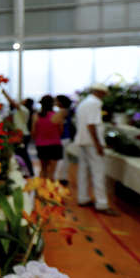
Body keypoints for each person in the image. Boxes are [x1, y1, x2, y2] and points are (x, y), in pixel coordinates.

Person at [74, 83, 119, 215]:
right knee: (98, 172)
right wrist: (98, 144)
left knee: (83, 170)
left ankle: (83, 198)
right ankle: (102, 203)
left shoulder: (84, 103)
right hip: (91, 142)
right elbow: (91, 125)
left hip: (83, 141)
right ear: (100, 93)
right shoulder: (95, 103)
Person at [31, 95, 65, 179]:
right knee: (52, 172)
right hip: (55, 145)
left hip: (41, 145)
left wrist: (39, 139)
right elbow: (61, 131)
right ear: (52, 104)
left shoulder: (36, 116)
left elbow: (33, 132)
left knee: (43, 169)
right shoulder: (57, 116)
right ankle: (50, 190)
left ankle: (40, 190)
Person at [2, 89, 34, 176]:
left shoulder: (24, 110)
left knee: (23, 154)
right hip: (19, 134)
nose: (22, 100)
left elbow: (13, 103)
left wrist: (5, 94)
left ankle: (29, 172)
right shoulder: (20, 111)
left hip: (22, 135)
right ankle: (24, 172)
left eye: (24, 100)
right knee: (20, 154)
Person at [53, 95, 75, 185]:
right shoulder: (68, 111)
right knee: (64, 159)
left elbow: (54, 121)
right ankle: (62, 177)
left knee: (62, 159)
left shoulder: (63, 111)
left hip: (63, 137)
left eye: (56, 101)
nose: (55, 103)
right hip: (65, 137)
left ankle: (60, 177)